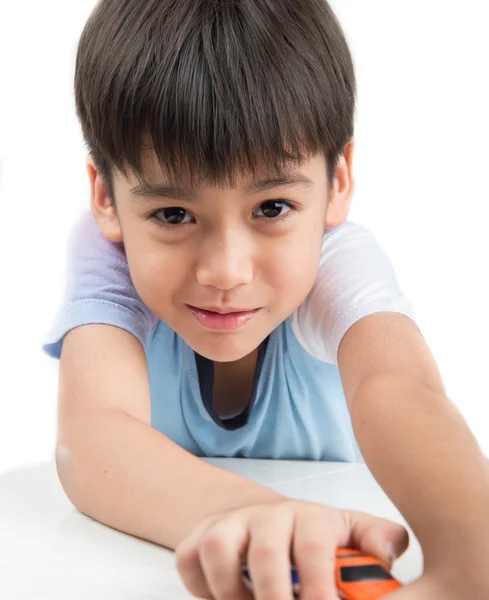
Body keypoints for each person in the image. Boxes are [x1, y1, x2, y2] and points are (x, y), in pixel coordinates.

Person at [43, 0, 489, 598]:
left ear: (337, 182)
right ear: (107, 199)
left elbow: (399, 386)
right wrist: (260, 516)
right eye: (173, 214)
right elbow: (91, 437)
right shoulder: (109, 252)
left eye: (272, 208)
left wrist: (471, 558)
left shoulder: (335, 259)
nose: (225, 271)